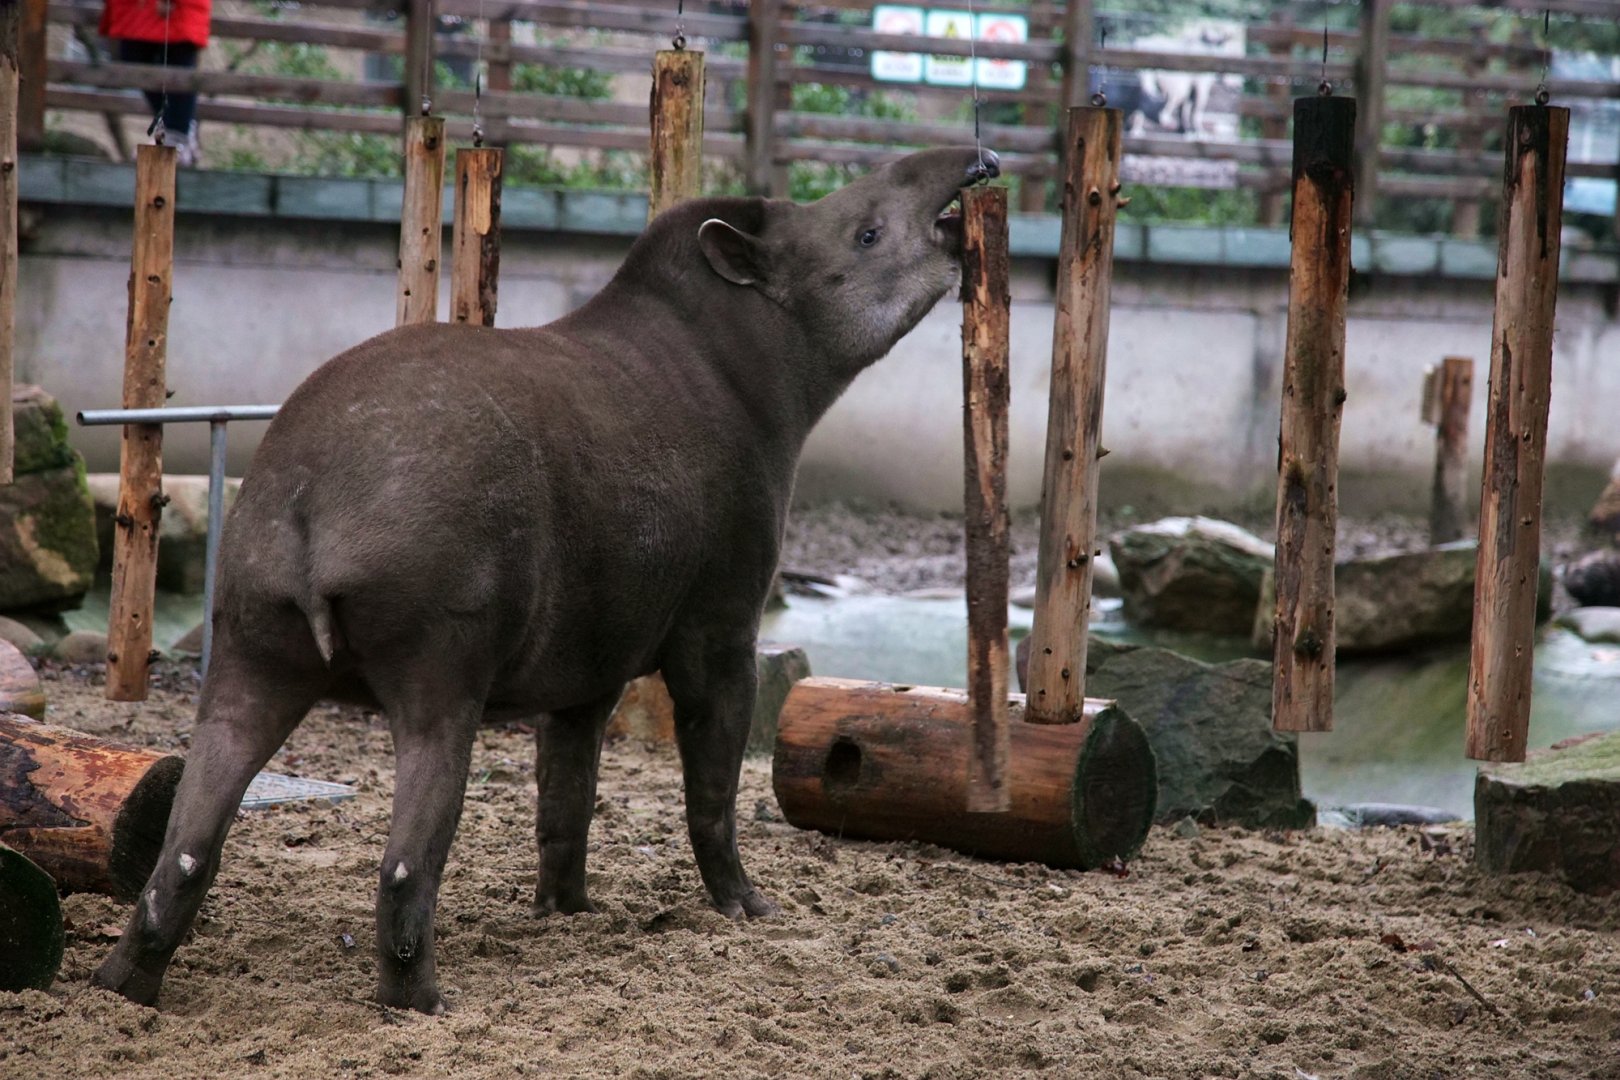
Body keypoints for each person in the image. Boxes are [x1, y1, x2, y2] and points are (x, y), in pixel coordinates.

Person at [100, 0, 212, 166]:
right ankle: (182, 130)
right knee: (134, 58)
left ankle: (178, 137)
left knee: (179, 60)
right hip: (136, 9)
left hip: (176, 9)